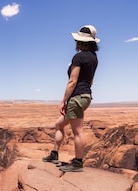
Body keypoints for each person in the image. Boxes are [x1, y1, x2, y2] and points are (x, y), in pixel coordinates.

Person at [42, 25, 100, 172]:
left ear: (80, 42)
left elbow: (72, 81)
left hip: (76, 96)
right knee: (59, 124)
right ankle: (54, 154)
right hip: (86, 95)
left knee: (78, 131)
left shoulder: (79, 57)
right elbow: (91, 80)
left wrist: (64, 100)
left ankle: (77, 162)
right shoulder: (94, 58)